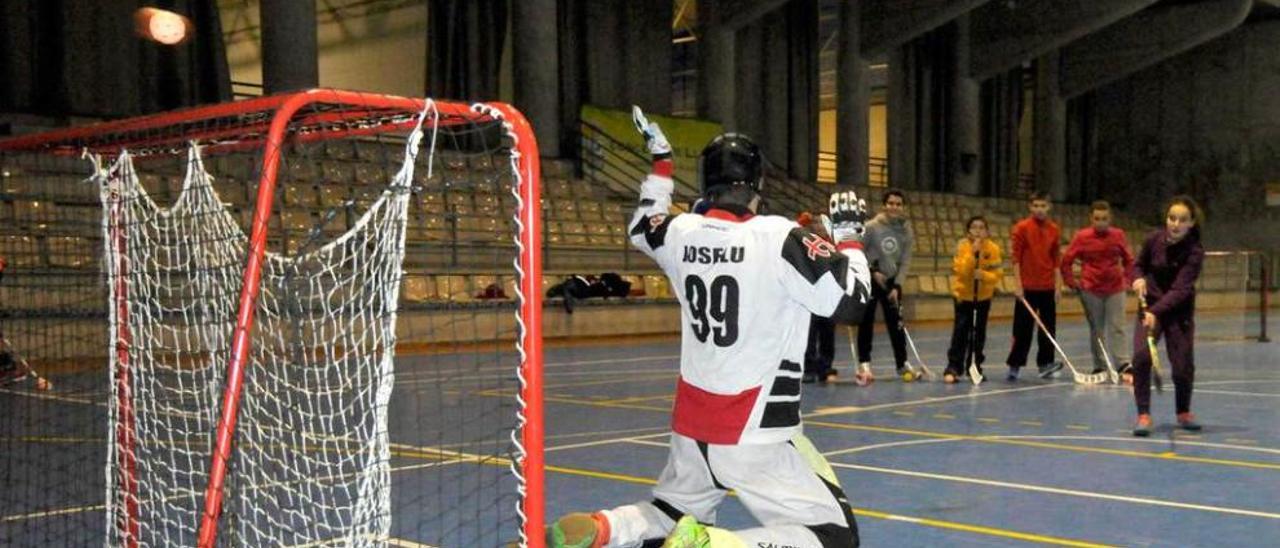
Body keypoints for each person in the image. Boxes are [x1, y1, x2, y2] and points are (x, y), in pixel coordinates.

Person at [541, 108, 873, 548]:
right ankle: (714, 545)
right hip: (755, 428)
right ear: (757, 185)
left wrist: (661, 164)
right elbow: (852, 302)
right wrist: (849, 239)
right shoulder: (779, 237)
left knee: (674, 509)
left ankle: (609, 527)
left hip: (693, 425)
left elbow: (643, 224)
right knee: (835, 537)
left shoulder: (681, 233)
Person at [1130, 195, 1205, 437]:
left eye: (1182, 220)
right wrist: (1137, 277)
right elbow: (1138, 265)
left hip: (1177, 312)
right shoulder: (1154, 239)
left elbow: (1180, 290)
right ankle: (1143, 415)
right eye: (1172, 218)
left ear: (1191, 223)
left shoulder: (1194, 251)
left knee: (1182, 366)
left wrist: (1155, 311)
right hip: (1149, 306)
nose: (1175, 223)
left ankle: (1183, 412)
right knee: (1141, 358)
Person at [1061, 201, 1135, 377]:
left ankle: (1122, 362)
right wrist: (1071, 282)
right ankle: (1100, 364)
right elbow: (1066, 260)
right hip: (1091, 290)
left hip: (1115, 289)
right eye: (1097, 219)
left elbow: (1129, 259)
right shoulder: (1082, 237)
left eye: (1104, 219)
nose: (1101, 222)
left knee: (1118, 326)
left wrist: (1127, 278)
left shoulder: (1118, 235)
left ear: (1110, 219)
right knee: (1096, 329)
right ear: (1091, 219)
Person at [855, 189, 914, 381]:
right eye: (891, 203)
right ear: (884, 205)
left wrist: (897, 285)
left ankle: (902, 363)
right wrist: (872, 271)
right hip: (871, 281)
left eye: (898, 204)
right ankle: (864, 364)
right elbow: (858, 252)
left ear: (902, 207)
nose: (894, 207)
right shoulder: (871, 226)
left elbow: (905, 260)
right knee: (866, 323)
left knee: (896, 325)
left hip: (891, 283)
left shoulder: (906, 230)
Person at [1006, 191, 1064, 381]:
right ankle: (1015, 364)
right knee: (1022, 329)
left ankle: (1046, 364)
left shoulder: (1054, 229)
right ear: (1030, 207)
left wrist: (1057, 285)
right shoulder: (1021, 228)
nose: (1040, 209)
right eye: (1036, 206)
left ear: (1049, 207)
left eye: (1043, 206)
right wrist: (1018, 284)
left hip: (1047, 286)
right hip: (1027, 287)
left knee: (1048, 328)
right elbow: (1015, 258)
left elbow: (1056, 259)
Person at [944, 216, 1003, 384]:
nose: (978, 231)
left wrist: (983, 275)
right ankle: (954, 367)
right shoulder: (962, 247)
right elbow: (962, 271)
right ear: (968, 231)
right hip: (964, 297)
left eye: (982, 227)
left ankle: (975, 367)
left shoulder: (993, 248)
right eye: (974, 227)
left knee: (978, 334)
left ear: (987, 231)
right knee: (960, 333)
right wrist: (972, 252)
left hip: (983, 297)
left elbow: (998, 273)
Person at [797, 212, 838, 385]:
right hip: (811, 295)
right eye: (817, 223)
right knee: (810, 333)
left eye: (824, 223)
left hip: (829, 295)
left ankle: (825, 367)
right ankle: (808, 368)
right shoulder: (806, 241)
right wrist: (801, 221)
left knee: (828, 333)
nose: (820, 226)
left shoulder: (835, 245)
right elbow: (791, 231)